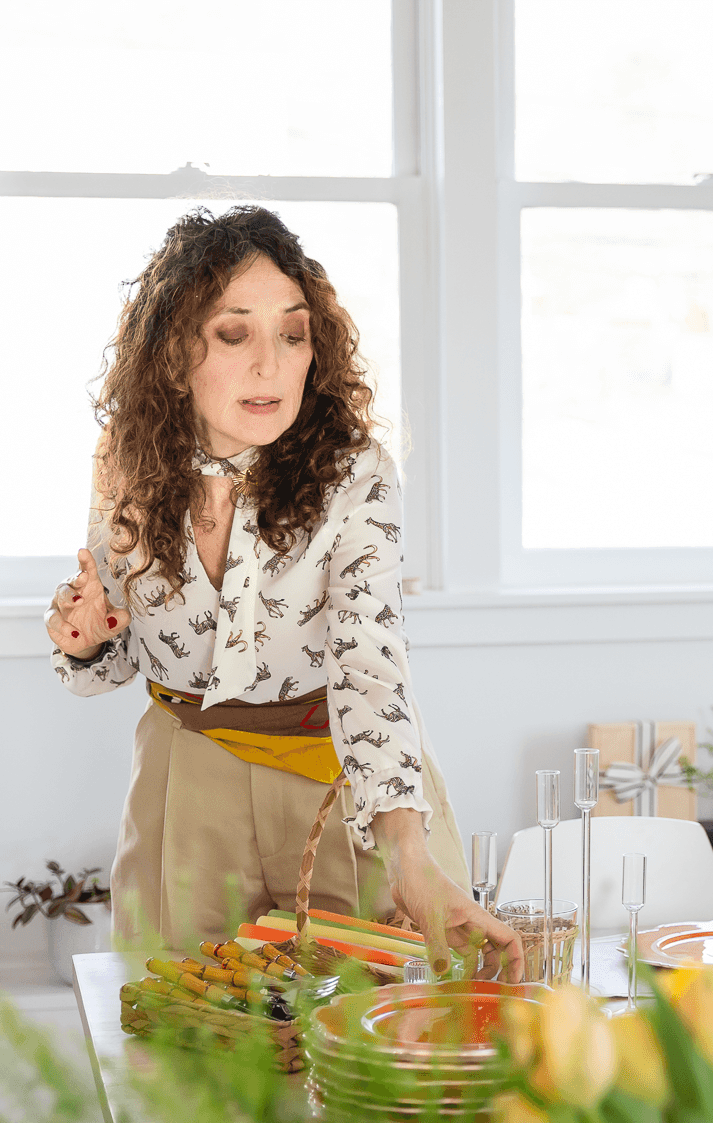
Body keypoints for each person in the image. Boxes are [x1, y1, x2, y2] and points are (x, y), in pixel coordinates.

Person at [44, 205, 519, 976]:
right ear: (174, 355)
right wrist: (89, 637)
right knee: (191, 1046)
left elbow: (370, 666)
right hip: (188, 786)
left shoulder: (355, 472)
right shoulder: (125, 463)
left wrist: (405, 848)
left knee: (381, 1038)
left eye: (292, 334)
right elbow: (117, 654)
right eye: (235, 334)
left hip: (340, 778)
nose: (270, 363)